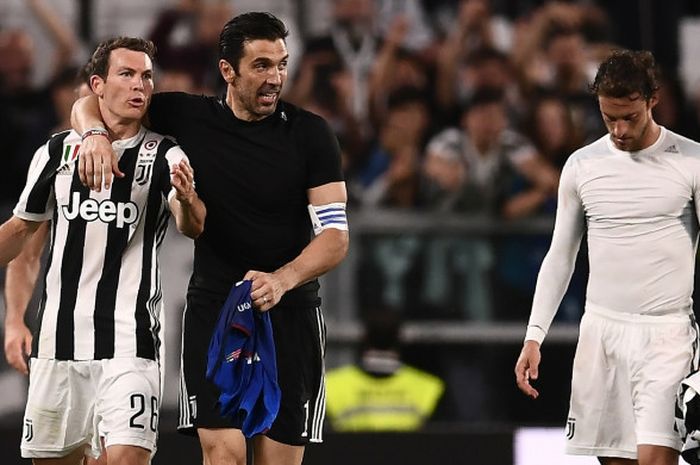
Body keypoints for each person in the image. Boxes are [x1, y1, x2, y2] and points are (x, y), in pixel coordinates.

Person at [72, 12, 349, 465]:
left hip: (290, 315)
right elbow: (91, 101)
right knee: (224, 456)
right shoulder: (188, 116)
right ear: (227, 70)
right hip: (216, 312)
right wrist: (95, 137)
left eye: (280, 64)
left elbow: (336, 237)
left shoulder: (311, 134)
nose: (275, 78)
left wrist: (281, 280)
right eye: (261, 65)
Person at [2, 36, 206, 464]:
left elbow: (193, 224)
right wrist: (14, 319)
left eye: (146, 76)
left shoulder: (164, 153)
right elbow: (22, 234)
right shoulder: (57, 151)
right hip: (58, 344)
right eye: (127, 74)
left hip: (130, 343)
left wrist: (187, 201)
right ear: (98, 84)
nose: (139, 86)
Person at [514, 49, 700, 465]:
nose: (618, 129)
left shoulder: (692, 162)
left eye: (628, 117)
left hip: (667, 335)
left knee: (656, 459)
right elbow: (561, 255)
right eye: (608, 117)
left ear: (652, 99)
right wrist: (534, 334)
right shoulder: (582, 166)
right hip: (600, 334)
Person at [325, 310, 444, 432]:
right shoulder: (429, 386)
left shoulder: (330, 384)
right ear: (400, 336)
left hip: (348, 451)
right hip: (408, 451)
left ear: (364, 336)